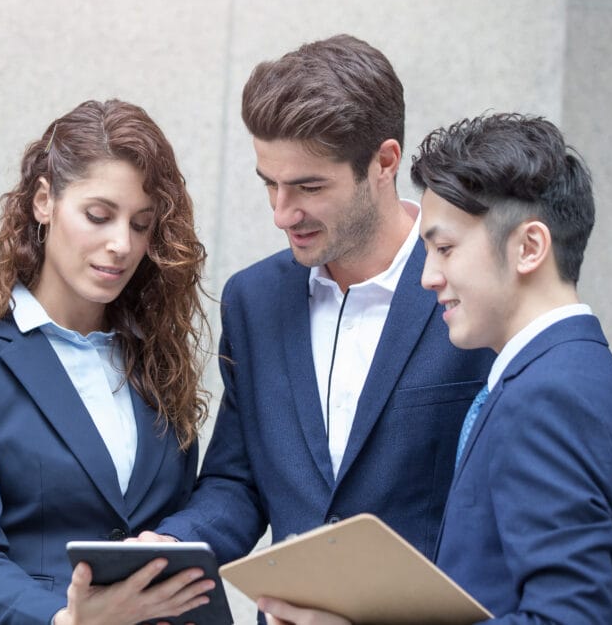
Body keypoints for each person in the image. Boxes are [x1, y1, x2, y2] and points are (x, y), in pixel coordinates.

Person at [259, 113, 612, 624]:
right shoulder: (591, 379)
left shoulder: (550, 398)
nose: (428, 277)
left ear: (529, 247)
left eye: (445, 248)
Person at [142, 35, 495, 570]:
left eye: (308, 187)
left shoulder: (471, 291)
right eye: (270, 185)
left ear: (384, 161)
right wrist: (172, 545)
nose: (282, 214)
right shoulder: (252, 300)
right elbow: (238, 481)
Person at [0, 99, 216, 625]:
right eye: (98, 216)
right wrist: (69, 620)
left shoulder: (156, 356)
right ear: (44, 201)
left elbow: (175, 520)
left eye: (141, 225)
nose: (121, 244)